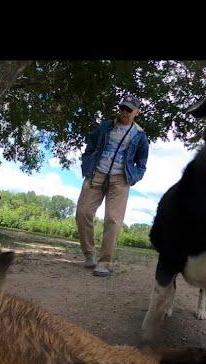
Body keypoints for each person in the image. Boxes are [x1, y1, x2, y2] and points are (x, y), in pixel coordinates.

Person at [75, 93, 150, 277]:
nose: (124, 112)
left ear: (137, 112)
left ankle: (105, 262)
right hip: (96, 174)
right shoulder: (106, 126)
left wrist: (133, 177)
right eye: (123, 108)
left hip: (120, 179)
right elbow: (90, 145)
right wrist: (87, 162)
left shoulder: (140, 136)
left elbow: (142, 162)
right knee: (82, 212)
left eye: (129, 110)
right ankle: (89, 254)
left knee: (113, 220)